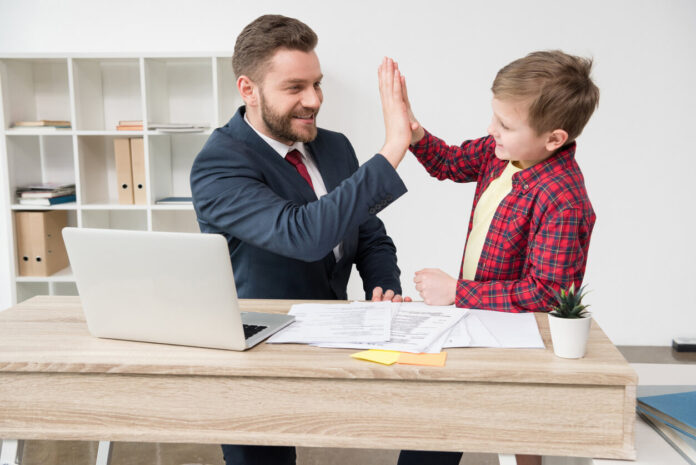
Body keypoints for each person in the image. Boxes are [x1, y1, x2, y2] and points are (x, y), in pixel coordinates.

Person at [190, 15, 415, 465]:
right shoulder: (218, 164)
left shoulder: (334, 147)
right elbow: (304, 234)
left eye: (317, 84)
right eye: (295, 88)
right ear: (248, 90)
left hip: (333, 333)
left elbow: (368, 232)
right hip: (256, 354)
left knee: (422, 424)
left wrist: (381, 285)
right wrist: (394, 147)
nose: (313, 100)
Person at [379, 51, 599, 465]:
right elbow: (447, 162)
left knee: (503, 422)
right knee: (457, 422)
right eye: (494, 117)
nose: (490, 130)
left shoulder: (563, 199)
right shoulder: (503, 155)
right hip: (478, 318)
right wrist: (414, 131)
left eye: (505, 125)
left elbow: (547, 293)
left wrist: (456, 291)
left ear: (554, 138)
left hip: (516, 337)